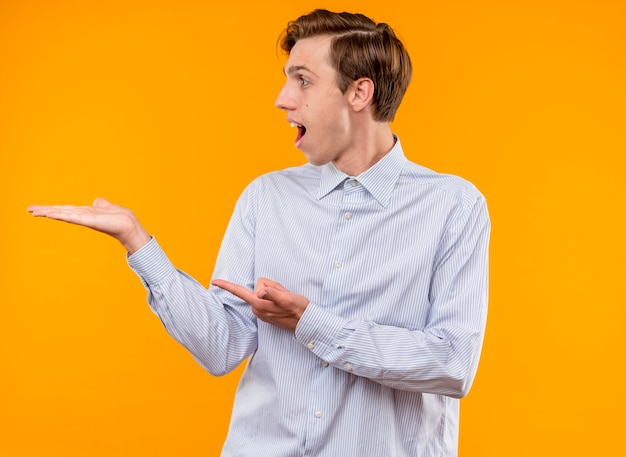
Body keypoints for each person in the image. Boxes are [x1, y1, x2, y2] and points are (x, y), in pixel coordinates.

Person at [28, 9, 490, 457]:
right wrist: (138, 243)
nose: (282, 98)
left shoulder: (453, 206)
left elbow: (452, 364)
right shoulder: (266, 197)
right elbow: (222, 346)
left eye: (303, 80)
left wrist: (309, 322)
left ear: (359, 93)